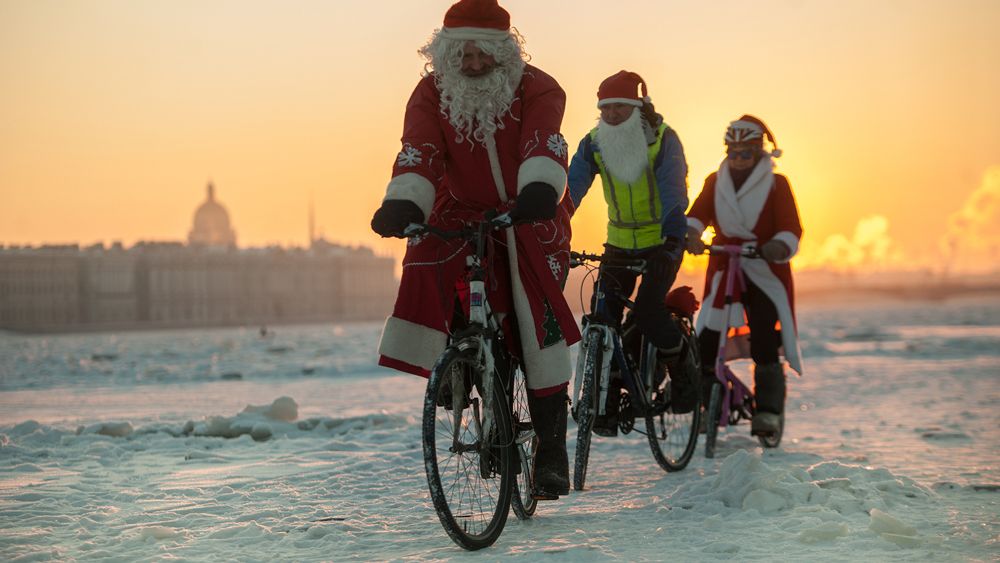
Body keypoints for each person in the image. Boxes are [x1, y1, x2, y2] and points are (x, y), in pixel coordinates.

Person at [369, 0, 579, 500]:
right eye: (464, 54)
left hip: (529, 208)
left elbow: (543, 142)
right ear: (445, 54)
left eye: (485, 54)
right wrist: (402, 202)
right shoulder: (430, 93)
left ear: (505, 53)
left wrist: (539, 190)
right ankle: (456, 355)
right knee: (427, 253)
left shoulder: (538, 87)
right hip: (458, 207)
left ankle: (551, 450)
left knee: (534, 322)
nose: (475, 63)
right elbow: (418, 150)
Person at [566, 71, 691, 436]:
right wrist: (553, 227)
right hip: (618, 243)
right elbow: (572, 190)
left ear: (638, 107)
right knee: (602, 317)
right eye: (605, 108)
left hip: (661, 241)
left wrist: (672, 240)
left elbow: (674, 191)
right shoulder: (594, 144)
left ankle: (683, 373)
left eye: (621, 106)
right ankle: (603, 402)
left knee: (650, 311)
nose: (612, 114)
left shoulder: (663, 140)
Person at [684, 115, 803, 435]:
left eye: (744, 153)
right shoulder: (714, 181)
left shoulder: (777, 185)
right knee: (707, 335)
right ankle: (707, 399)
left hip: (762, 269)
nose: (736, 159)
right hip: (725, 268)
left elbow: (791, 228)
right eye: (732, 152)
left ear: (759, 153)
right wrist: (692, 234)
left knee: (764, 334)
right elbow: (697, 214)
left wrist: (778, 246)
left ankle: (768, 412)